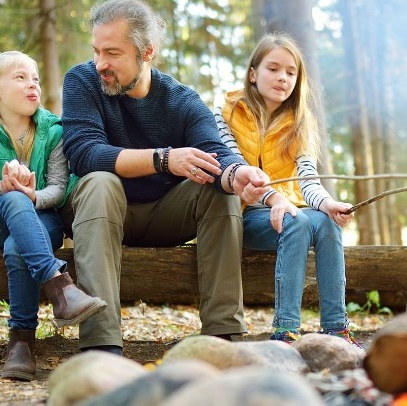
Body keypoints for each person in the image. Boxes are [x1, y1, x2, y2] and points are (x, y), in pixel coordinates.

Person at [61, 0, 271, 356]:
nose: (101, 64)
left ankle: (223, 338)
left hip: (164, 214)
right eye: (96, 51)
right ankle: (101, 345)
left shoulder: (182, 99)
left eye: (112, 53)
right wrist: (164, 159)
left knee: (220, 190)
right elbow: (84, 153)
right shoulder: (82, 80)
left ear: (147, 52)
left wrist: (239, 173)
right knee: (100, 180)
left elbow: (216, 154)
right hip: (100, 211)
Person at [0, 51, 107, 380]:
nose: (32, 83)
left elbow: (59, 189)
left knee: (18, 247)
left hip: (42, 218)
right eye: (20, 77)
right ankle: (61, 287)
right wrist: (7, 191)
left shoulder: (54, 132)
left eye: (35, 77)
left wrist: (33, 195)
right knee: (14, 200)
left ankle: (21, 345)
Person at [215, 33, 359, 347]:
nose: (282, 77)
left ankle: (336, 328)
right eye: (273, 68)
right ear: (253, 73)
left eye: (291, 72)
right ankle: (286, 332)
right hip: (239, 214)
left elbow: (308, 179)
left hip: (287, 212)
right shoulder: (226, 113)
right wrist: (275, 198)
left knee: (325, 221)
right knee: (298, 220)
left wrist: (328, 205)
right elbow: (239, 172)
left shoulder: (299, 122)